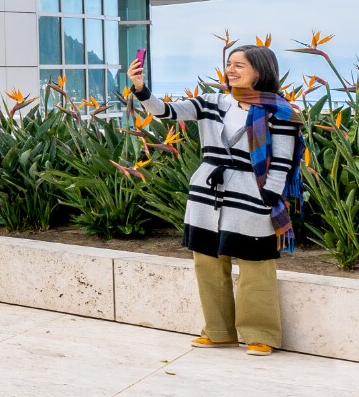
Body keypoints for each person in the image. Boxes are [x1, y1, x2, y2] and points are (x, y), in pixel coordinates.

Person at [130, 44, 303, 355]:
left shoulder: (282, 113)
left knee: (255, 264)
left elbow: (282, 162)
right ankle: (218, 331)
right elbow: (166, 112)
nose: (231, 70)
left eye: (240, 65)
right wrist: (141, 90)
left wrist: (268, 198)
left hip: (252, 193)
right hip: (207, 192)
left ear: (260, 72)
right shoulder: (211, 102)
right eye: (230, 64)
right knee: (207, 261)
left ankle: (260, 334)